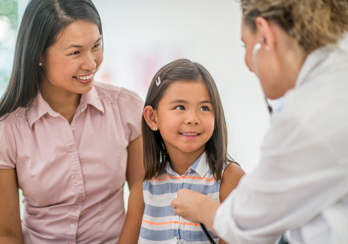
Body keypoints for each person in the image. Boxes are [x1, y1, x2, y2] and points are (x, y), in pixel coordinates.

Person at [171, 0, 348, 243]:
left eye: (245, 44)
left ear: (265, 34)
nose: (247, 62)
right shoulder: (335, 79)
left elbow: (250, 226)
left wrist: (203, 208)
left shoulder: (309, 116)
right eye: (179, 107)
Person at [0, 0, 144, 243]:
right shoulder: (8, 129)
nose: (91, 63)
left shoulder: (125, 108)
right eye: (75, 52)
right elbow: (7, 233)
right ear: (39, 55)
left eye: (96, 46)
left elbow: (142, 188)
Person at [118, 59, 245, 244]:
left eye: (204, 108)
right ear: (152, 117)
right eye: (180, 107)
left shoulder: (230, 180)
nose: (193, 118)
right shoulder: (142, 191)